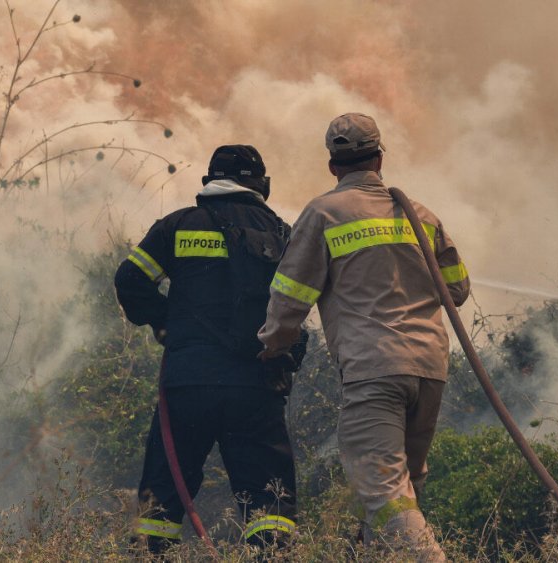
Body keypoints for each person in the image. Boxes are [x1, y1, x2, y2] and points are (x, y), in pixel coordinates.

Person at [258, 113, 470, 561]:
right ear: (379, 158)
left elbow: (291, 293)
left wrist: (272, 343)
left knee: (383, 491)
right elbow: (457, 288)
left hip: (373, 370)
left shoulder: (324, 213)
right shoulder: (421, 216)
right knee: (402, 490)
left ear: (333, 166)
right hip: (429, 371)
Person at [114, 145, 303, 556]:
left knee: (161, 495)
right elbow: (296, 306)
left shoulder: (177, 226)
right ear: (260, 184)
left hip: (187, 384)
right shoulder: (280, 233)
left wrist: (166, 323)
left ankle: (150, 554)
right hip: (255, 385)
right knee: (268, 501)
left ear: (208, 181)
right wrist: (288, 353)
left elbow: (130, 280)